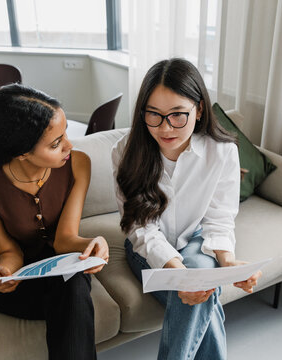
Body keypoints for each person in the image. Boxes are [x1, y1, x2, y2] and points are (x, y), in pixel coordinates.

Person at [112, 58, 262, 360]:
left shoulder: (222, 152)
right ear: (143, 113)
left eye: (178, 115)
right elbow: (141, 229)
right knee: (202, 292)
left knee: (201, 281)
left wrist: (227, 261)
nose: (165, 128)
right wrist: (181, 275)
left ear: (199, 109)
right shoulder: (125, 152)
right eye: (154, 115)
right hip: (148, 250)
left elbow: (218, 220)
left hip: (197, 241)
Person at [0, 84, 108, 360]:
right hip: (15, 280)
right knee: (70, 299)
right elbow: (8, 251)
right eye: (56, 143)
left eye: (65, 135)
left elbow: (65, 239)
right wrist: (4, 271)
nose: (69, 145)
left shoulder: (78, 164)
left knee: (72, 285)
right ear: (21, 153)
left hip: (59, 262)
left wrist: (94, 243)